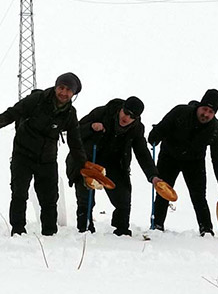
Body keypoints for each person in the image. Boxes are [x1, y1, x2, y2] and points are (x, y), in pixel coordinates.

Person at [0, 73, 86, 236]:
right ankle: (18, 231)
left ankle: (49, 232)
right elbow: (13, 113)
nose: (63, 92)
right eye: (61, 87)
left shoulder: (70, 114)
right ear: (55, 86)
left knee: (50, 199)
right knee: (19, 193)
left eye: (68, 90)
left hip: (47, 160)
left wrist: (84, 166)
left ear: (73, 94)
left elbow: (75, 143)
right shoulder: (38, 99)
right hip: (23, 155)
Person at [66, 96, 162, 235]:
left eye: (132, 116)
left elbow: (142, 152)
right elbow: (76, 132)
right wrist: (91, 127)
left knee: (123, 198)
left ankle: (121, 230)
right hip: (88, 160)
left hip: (115, 164)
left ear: (136, 119)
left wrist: (153, 175)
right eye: (126, 112)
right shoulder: (102, 113)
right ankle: (85, 228)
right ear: (121, 109)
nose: (126, 117)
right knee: (86, 198)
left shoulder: (136, 129)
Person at [147, 88, 218, 236]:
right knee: (163, 191)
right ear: (199, 106)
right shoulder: (181, 112)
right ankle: (157, 225)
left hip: (194, 161)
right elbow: (161, 128)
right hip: (169, 156)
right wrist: (154, 136)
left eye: (211, 112)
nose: (206, 114)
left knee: (199, 196)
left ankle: (206, 229)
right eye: (204, 109)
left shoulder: (215, 128)